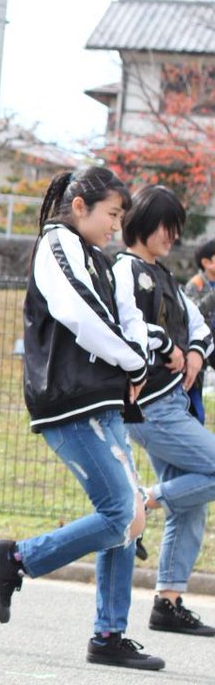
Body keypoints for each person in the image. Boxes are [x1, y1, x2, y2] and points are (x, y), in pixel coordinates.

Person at [0, 166, 165, 671]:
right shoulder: (58, 243)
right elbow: (80, 313)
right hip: (70, 400)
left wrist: (139, 354)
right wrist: (134, 359)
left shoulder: (101, 258)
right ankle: (19, 558)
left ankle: (109, 635)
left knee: (131, 517)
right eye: (112, 214)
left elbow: (129, 317)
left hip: (101, 398)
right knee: (118, 514)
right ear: (81, 207)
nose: (117, 225)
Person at [113, 186, 215, 636]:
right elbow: (125, 327)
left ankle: (167, 603)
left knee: (191, 509)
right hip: (153, 406)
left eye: (178, 228)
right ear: (140, 223)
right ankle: (144, 501)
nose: (173, 235)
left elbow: (201, 327)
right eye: (166, 226)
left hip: (173, 402)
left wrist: (193, 350)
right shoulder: (123, 270)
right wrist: (170, 345)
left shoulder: (167, 277)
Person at [183, 237, 215, 421]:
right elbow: (192, 315)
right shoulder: (195, 285)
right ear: (206, 262)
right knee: (196, 406)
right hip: (200, 347)